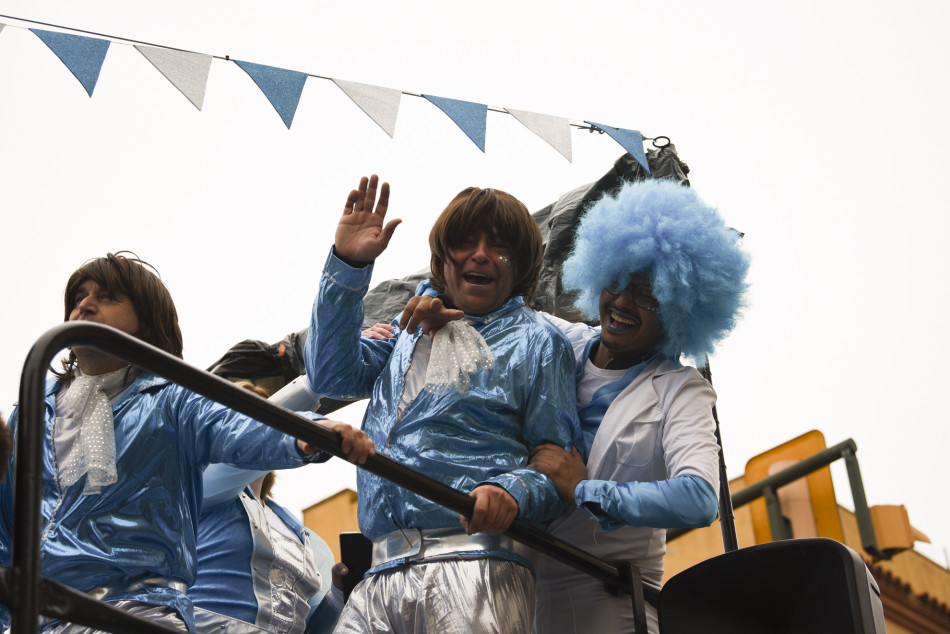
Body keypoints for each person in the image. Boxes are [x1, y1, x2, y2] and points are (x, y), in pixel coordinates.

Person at [384, 178, 749, 633]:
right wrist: (435, 302)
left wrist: (586, 489)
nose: (621, 301)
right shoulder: (562, 341)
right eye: (616, 281)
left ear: (680, 306)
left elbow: (698, 499)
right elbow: (488, 299)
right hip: (513, 594)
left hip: (609, 604)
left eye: (647, 293)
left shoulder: (681, 389)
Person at [0, 252, 374, 633]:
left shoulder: (171, 398)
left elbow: (236, 421)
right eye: (77, 296)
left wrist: (309, 431)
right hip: (36, 618)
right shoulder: (32, 410)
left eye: (108, 296)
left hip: (134, 614)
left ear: (147, 319)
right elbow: (3, 527)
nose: (85, 303)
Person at [305, 176, 583, 633]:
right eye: (465, 241)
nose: (480, 254)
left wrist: (512, 489)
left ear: (523, 266)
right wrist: (349, 266)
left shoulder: (539, 341)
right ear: (443, 258)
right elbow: (328, 375)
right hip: (377, 576)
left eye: (498, 246)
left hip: (476, 567)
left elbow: (558, 468)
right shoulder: (407, 330)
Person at [192, 381, 346, 634]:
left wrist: (339, 595)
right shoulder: (200, 489)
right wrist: (315, 385)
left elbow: (315, 629)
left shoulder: (311, 541)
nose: (244, 429)